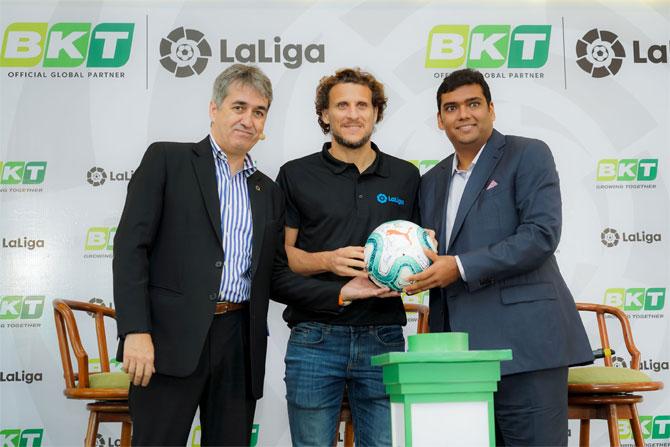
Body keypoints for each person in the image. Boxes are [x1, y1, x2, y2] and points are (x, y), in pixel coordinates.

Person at [112, 64, 377, 446]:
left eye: (258, 111)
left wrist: (341, 292)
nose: (248, 120)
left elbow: (276, 275)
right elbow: (130, 249)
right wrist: (136, 330)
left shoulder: (267, 190)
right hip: (169, 341)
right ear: (214, 109)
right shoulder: (167, 161)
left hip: (239, 343)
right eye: (239, 107)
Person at [405, 68, 593, 446]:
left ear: (491, 109)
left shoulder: (528, 154)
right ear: (440, 120)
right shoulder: (431, 181)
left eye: (473, 104)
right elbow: (425, 249)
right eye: (452, 108)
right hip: (457, 355)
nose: (464, 115)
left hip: (526, 347)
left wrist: (458, 266)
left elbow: (540, 236)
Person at [275, 67, 420, 446]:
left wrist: (423, 251)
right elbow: (281, 258)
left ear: (376, 113)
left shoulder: (406, 176)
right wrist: (328, 261)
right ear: (325, 114)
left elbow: (423, 254)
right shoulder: (295, 174)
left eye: (362, 105)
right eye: (341, 105)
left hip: (384, 337)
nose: (352, 114)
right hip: (314, 337)